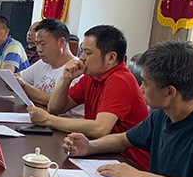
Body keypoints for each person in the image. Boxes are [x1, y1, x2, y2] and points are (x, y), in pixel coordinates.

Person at [63, 40, 193, 177]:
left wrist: (139, 176)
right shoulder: (162, 115)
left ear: (170, 92)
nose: (140, 89)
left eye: (145, 83)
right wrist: (90, 147)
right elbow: (123, 139)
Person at [28, 24, 150, 169]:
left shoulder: (120, 80)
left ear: (111, 58)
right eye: (82, 51)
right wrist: (65, 79)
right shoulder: (91, 77)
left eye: (88, 53)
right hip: (100, 154)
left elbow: (100, 128)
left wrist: (48, 120)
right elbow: (55, 108)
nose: (81, 58)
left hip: (128, 163)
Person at [17, 18, 83, 116]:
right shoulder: (43, 63)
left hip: (64, 123)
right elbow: (19, 77)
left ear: (61, 42)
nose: (39, 49)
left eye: (43, 44)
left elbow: (55, 101)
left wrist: (23, 86)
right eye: (37, 44)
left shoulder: (76, 70)